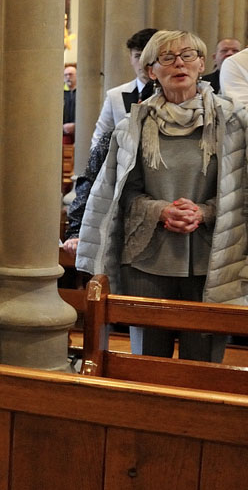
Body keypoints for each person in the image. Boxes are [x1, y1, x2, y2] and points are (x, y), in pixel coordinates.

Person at [78, 30, 248, 362]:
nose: (179, 64)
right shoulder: (132, 126)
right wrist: (161, 210)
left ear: (202, 64)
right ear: (151, 71)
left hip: (214, 259)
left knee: (201, 366)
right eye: (167, 58)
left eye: (188, 55)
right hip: (148, 260)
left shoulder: (234, 123)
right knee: (147, 363)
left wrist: (203, 212)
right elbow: (122, 194)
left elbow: (241, 189)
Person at [91, 28, 158, 146]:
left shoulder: (174, 93)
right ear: (130, 58)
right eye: (138, 56)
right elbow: (99, 139)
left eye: (149, 56)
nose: (143, 63)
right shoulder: (115, 96)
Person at [62, 63, 77, 142]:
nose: (68, 77)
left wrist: (75, 125)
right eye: (65, 75)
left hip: (78, 131)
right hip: (63, 132)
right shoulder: (61, 94)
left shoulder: (81, 93)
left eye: (70, 75)